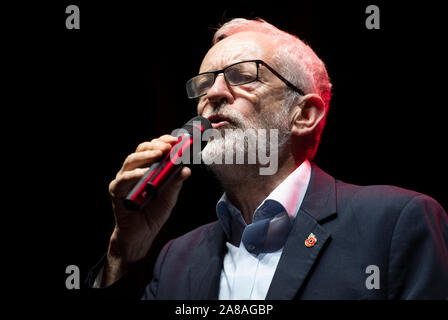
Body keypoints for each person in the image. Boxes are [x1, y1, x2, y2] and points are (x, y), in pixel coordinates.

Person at [87, 18, 448, 299]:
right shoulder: (175, 257)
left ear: (304, 114)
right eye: (204, 83)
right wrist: (123, 249)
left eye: (242, 76)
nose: (212, 93)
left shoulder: (396, 222)